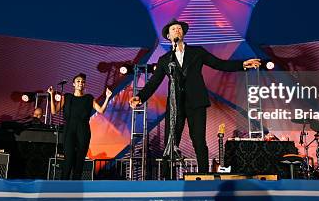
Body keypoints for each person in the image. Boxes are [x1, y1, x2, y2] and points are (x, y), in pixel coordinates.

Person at [129, 19, 260, 174]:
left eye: (179, 28)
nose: (177, 30)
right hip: (174, 104)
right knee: (171, 141)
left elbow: (220, 64)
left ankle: (204, 174)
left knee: (198, 140)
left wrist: (242, 65)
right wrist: (140, 97)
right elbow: (154, 82)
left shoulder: (197, 52)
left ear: (183, 33)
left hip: (196, 102)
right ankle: (166, 178)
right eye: (173, 29)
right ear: (169, 36)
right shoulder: (165, 60)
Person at [48, 74, 112, 180]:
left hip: (83, 130)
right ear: (73, 84)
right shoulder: (67, 97)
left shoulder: (89, 98)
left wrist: (108, 97)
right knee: (68, 158)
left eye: (82, 82)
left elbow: (101, 110)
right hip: (69, 130)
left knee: (80, 159)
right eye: (78, 81)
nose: (80, 83)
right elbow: (54, 111)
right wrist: (51, 95)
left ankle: (76, 186)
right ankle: (63, 185)